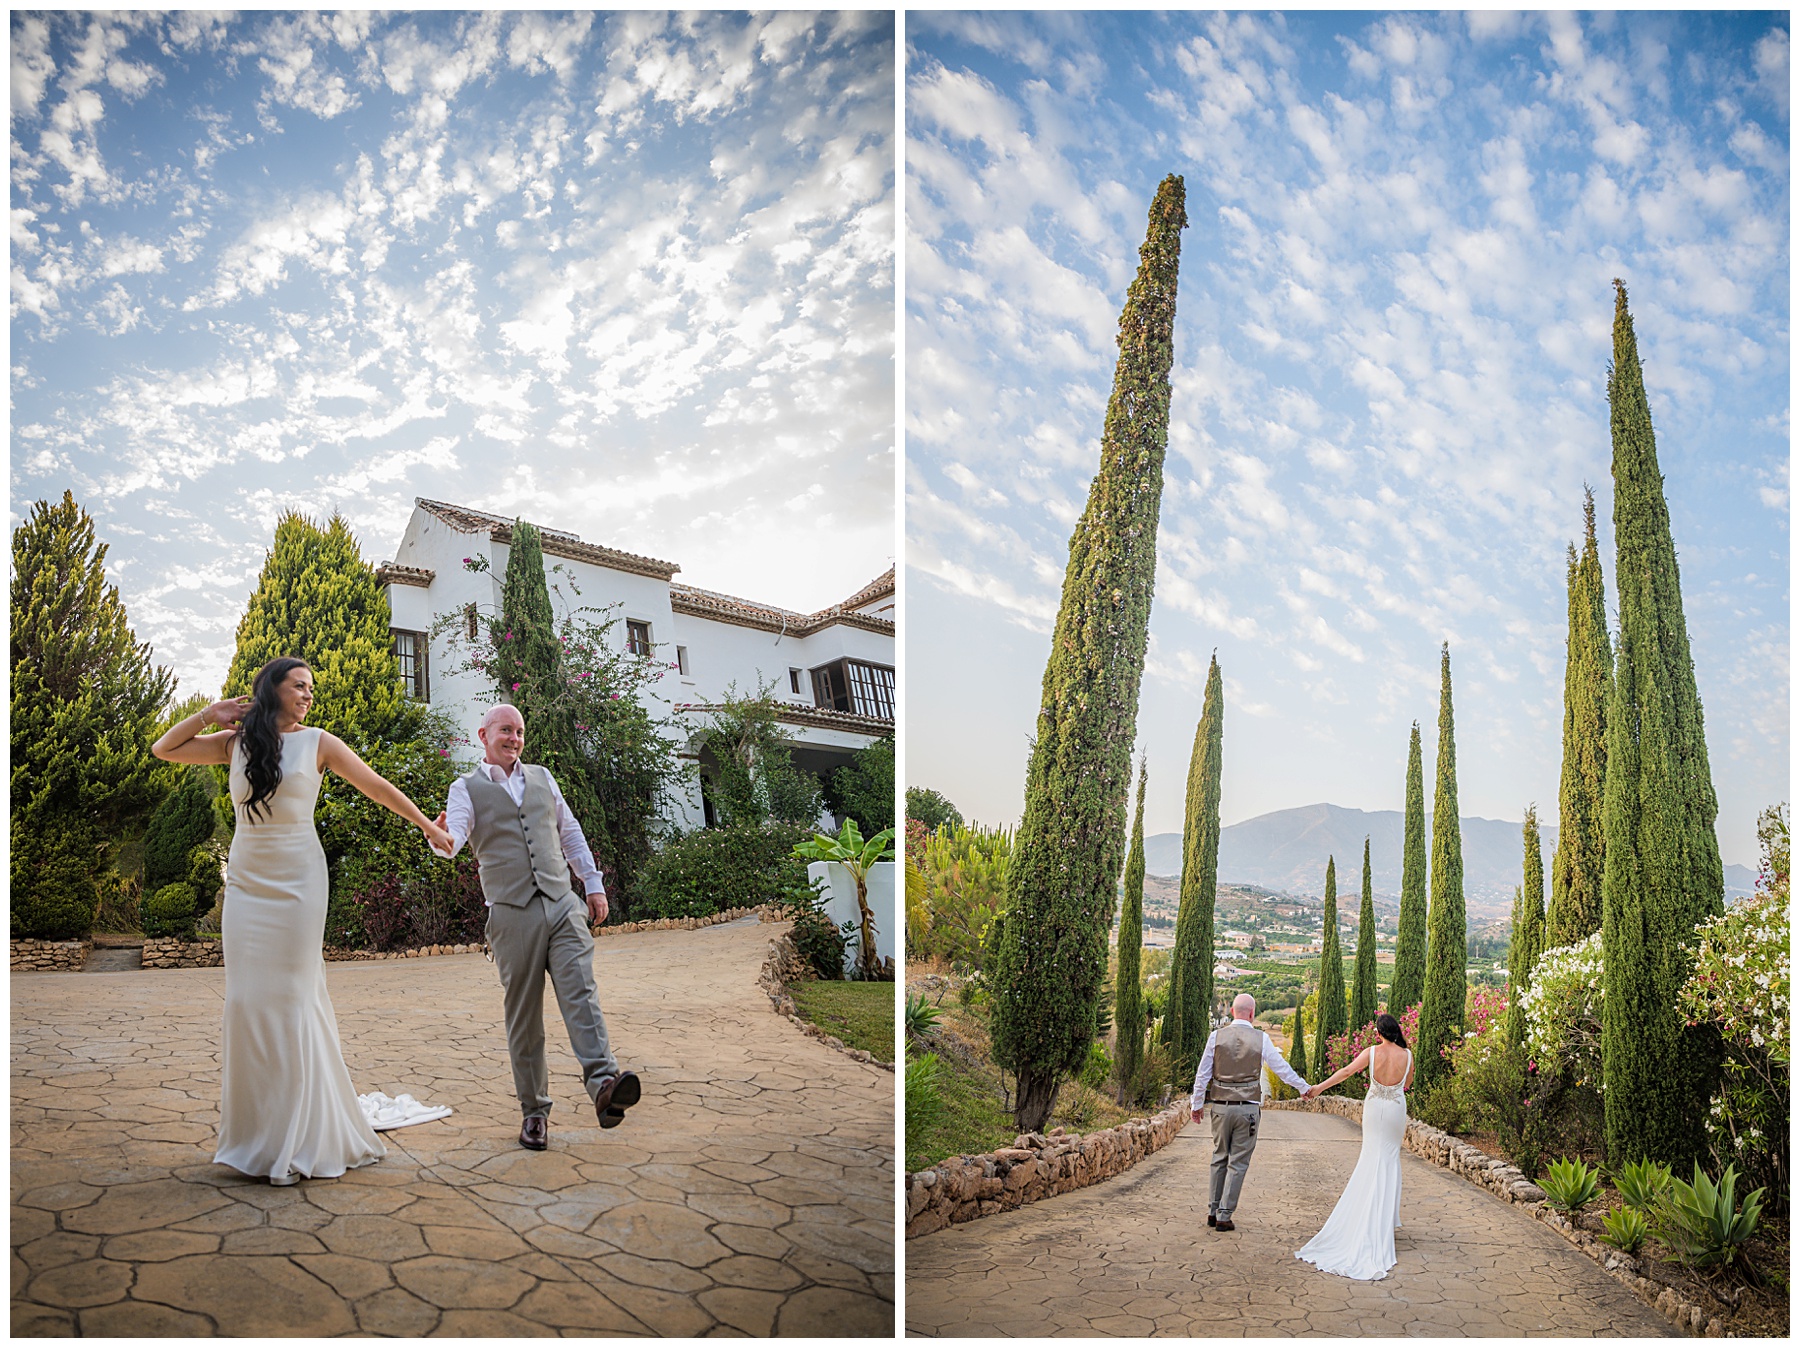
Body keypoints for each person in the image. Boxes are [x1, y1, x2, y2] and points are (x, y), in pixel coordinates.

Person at [152, 657, 455, 1185]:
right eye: (299, 686)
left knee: (291, 1001)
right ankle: (257, 1136)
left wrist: (428, 825)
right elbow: (164, 749)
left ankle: (294, 1139)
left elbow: (377, 787)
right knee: (247, 1002)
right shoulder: (234, 744)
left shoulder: (320, 742)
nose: (308, 694)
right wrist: (209, 713)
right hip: (247, 885)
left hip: (298, 884)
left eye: (311, 688)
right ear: (272, 690)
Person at [431, 703, 640, 1151]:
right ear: (483, 734)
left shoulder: (543, 777)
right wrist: (441, 839)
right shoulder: (465, 788)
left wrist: (593, 884)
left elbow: (569, 832)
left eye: (520, 731)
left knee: (581, 991)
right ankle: (535, 1112)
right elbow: (457, 836)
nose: (515, 738)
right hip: (511, 912)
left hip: (563, 904)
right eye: (506, 730)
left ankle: (604, 1086)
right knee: (524, 1018)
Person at [1294, 1011, 1415, 1280]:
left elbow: (1347, 1071)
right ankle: (1384, 1220)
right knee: (1389, 1159)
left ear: (1379, 1033)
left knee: (1370, 1157)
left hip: (1373, 1109)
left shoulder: (1371, 1052)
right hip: (1395, 1109)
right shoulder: (1408, 1056)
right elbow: (1407, 1084)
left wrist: (1320, 1088)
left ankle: (1366, 1214)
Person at [1190, 993, 1311, 1231]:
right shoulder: (1261, 1039)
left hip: (1220, 1108)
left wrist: (1196, 1105)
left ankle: (1212, 1211)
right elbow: (1282, 1069)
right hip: (1247, 1110)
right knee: (1238, 1162)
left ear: (1232, 1012)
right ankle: (1225, 1215)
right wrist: (1304, 1088)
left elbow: (1202, 1074)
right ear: (1253, 1014)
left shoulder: (1216, 1037)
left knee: (1219, 1157)